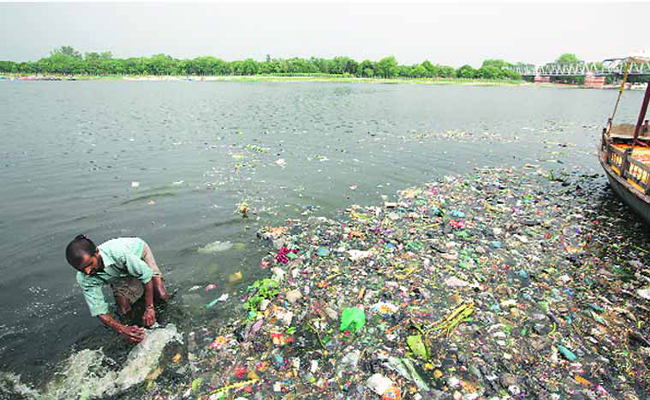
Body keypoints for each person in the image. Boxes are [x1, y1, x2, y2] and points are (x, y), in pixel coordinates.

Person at [65, 235, 169, 344]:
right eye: (82, 270)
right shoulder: (84, 278)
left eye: (90, 264)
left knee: (161, 294)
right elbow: (99, 311)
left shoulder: (118, 253)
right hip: (117, 274)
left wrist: (149, 308)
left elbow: (146, 277)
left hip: (138, 253)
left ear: (97, 253)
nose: (87, 271)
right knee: (123, 310)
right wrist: (122, 329)